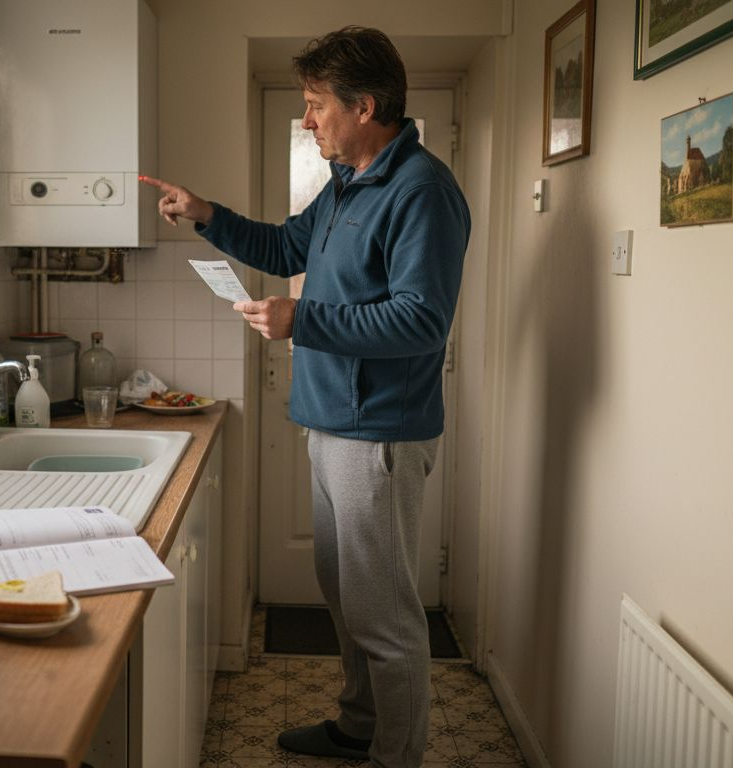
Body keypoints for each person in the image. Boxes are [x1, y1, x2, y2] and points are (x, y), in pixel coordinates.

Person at [140, 25, 469, 768]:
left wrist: (303, 319)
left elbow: (422, 321)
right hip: (331, 422)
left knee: (385, 617)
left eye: (318, 104)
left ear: (366, 106)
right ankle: (359, 728)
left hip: (379, 433)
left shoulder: (421, 191)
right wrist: (205, 214)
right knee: (348, 600)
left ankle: (396, 756)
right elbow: (287, 246)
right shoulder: (349, 182)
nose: (307, 119)